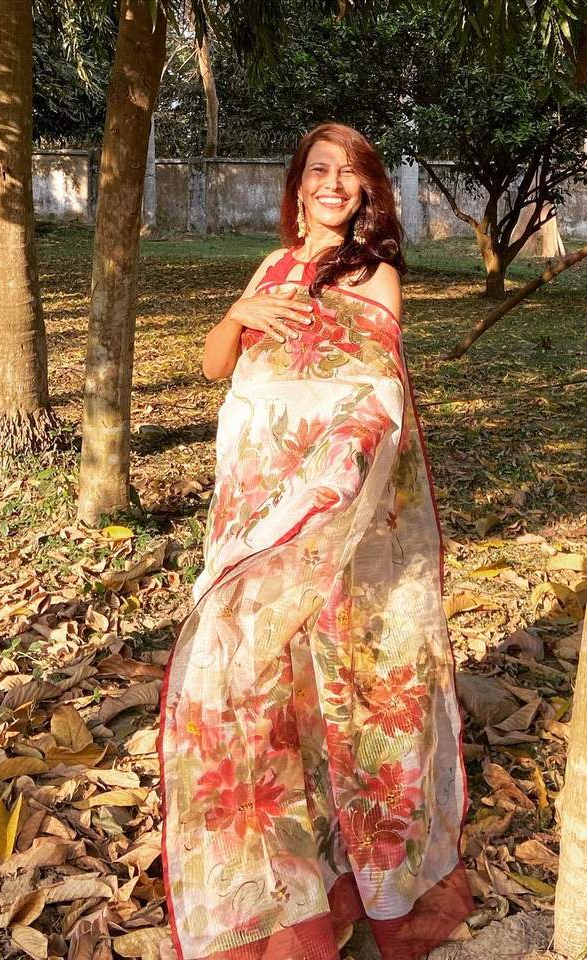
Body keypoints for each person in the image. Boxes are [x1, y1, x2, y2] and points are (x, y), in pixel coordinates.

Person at [158, 122, 475, 960]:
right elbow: (214, 367)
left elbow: (374, 398)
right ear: (298, 185)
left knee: (344, 675)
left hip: (326, 514)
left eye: (349, 173)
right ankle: (281, 869)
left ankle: (358, 872)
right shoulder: (271, 265)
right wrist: (237, 312)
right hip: (250, 503)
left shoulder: (373, 274)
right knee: (258, 677)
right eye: (319, 169)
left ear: (366, 191)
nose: (333, 183)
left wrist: (324, 490)